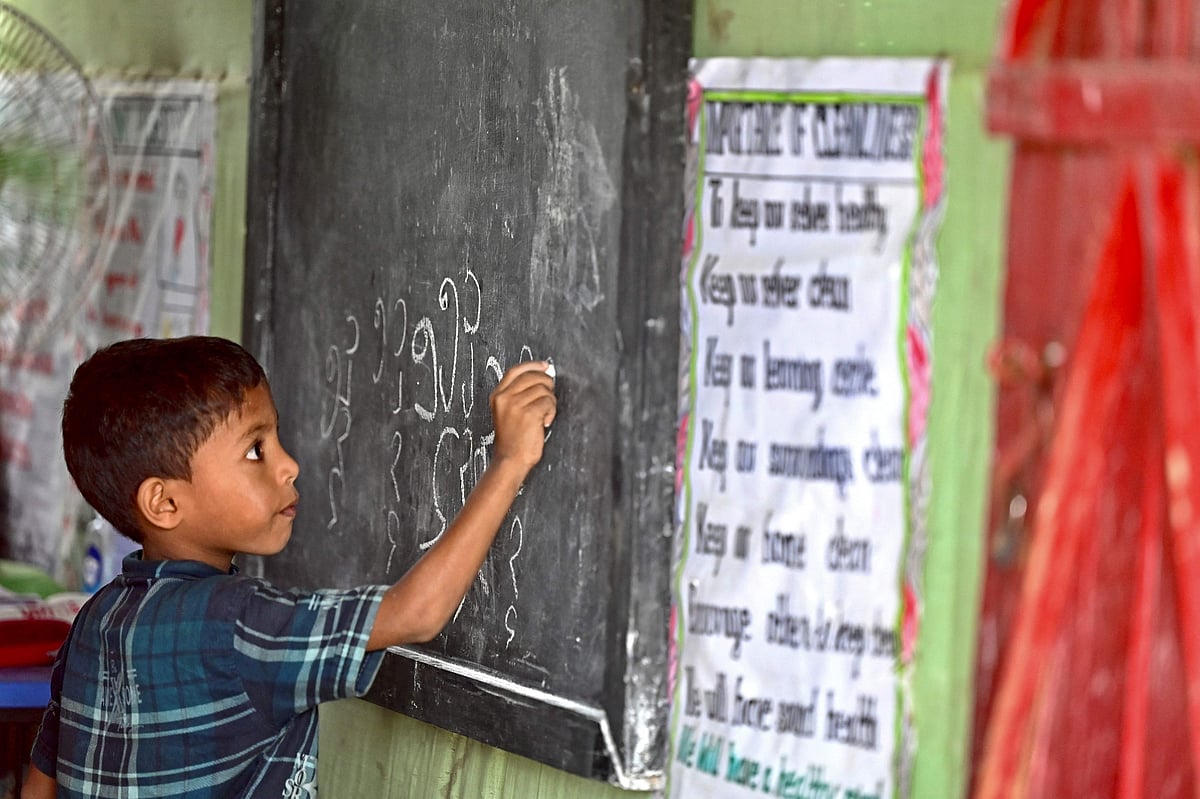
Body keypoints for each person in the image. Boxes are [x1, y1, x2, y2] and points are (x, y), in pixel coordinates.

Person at [22, 336, 557, 798]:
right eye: (256, 449)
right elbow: (416, 613)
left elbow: (41, 779)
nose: (289, 465)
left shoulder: (96, 619)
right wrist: (509, 463)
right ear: (164, 503)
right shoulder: (239, 623)